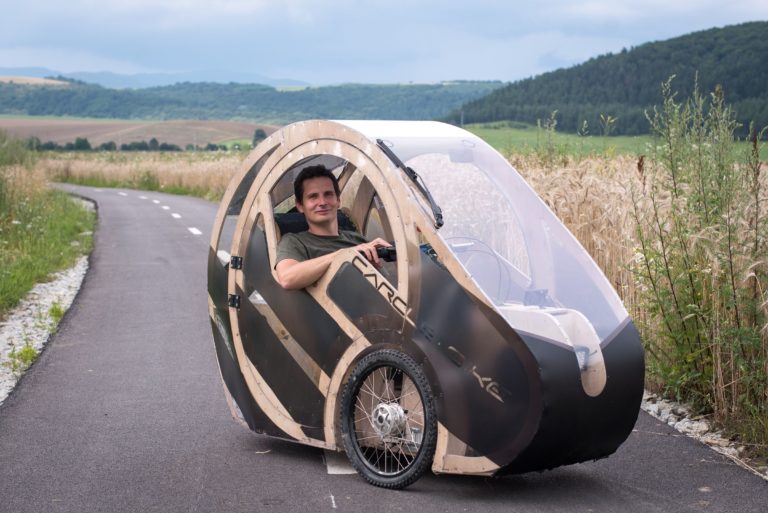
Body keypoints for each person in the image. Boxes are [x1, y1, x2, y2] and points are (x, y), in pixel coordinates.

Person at [275, 165, 390, 290]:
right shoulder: (293, 242)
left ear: (338, 200)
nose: (322, 202)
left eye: (328, 194)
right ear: (300, 206)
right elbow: (287, 279)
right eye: (313, 197)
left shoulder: (358, 240)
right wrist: (344, 255)